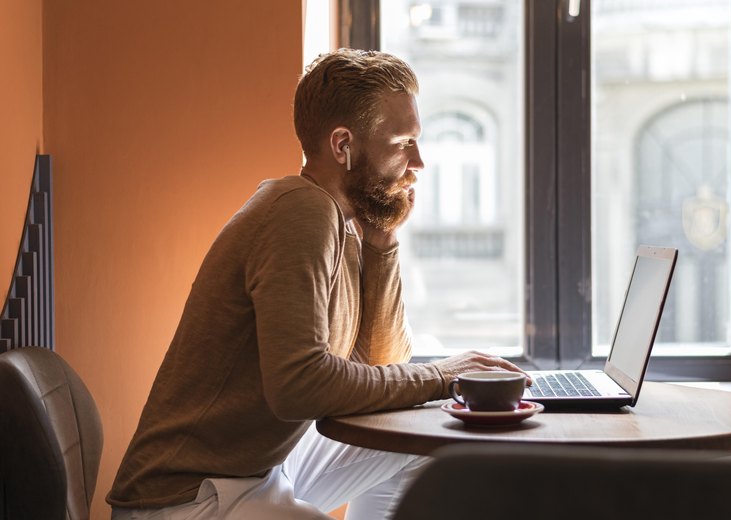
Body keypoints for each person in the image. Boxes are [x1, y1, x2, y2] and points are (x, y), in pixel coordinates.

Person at [107, 48, 526, 519]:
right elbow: (300, 387)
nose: (419, 162)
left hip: (263, 470)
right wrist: (440, 375)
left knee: (423, 443)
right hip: (189, 499)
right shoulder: (299, 209)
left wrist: (382, 243)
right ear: (343, 145)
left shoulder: (344, 224)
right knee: (428, 404)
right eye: (403, 142)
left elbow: (384, 364)